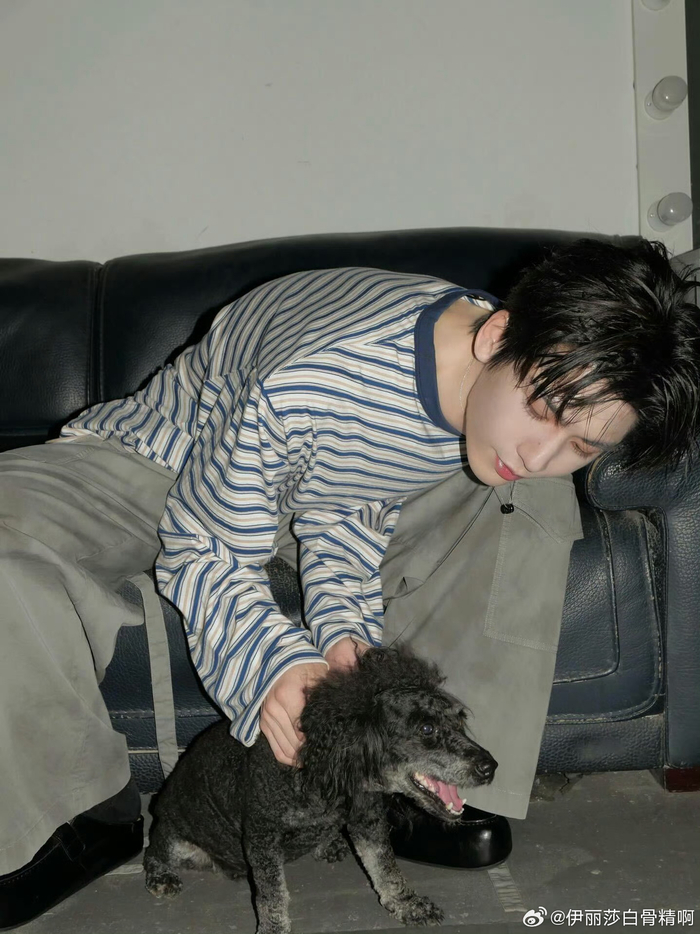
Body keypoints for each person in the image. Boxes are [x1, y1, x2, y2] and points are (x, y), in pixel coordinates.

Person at [1, 237, 698, 929]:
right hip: (166, 457)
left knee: (525, 491)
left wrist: (345, 639)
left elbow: (348, 499)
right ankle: (79, 814)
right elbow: (207, 542)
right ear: (496, 336)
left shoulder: (531, 374)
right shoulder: (321, 375)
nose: (542, 452)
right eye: (543, 413)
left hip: (314, 486)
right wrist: (275, 664)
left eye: (583, 444)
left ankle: (427, 781)